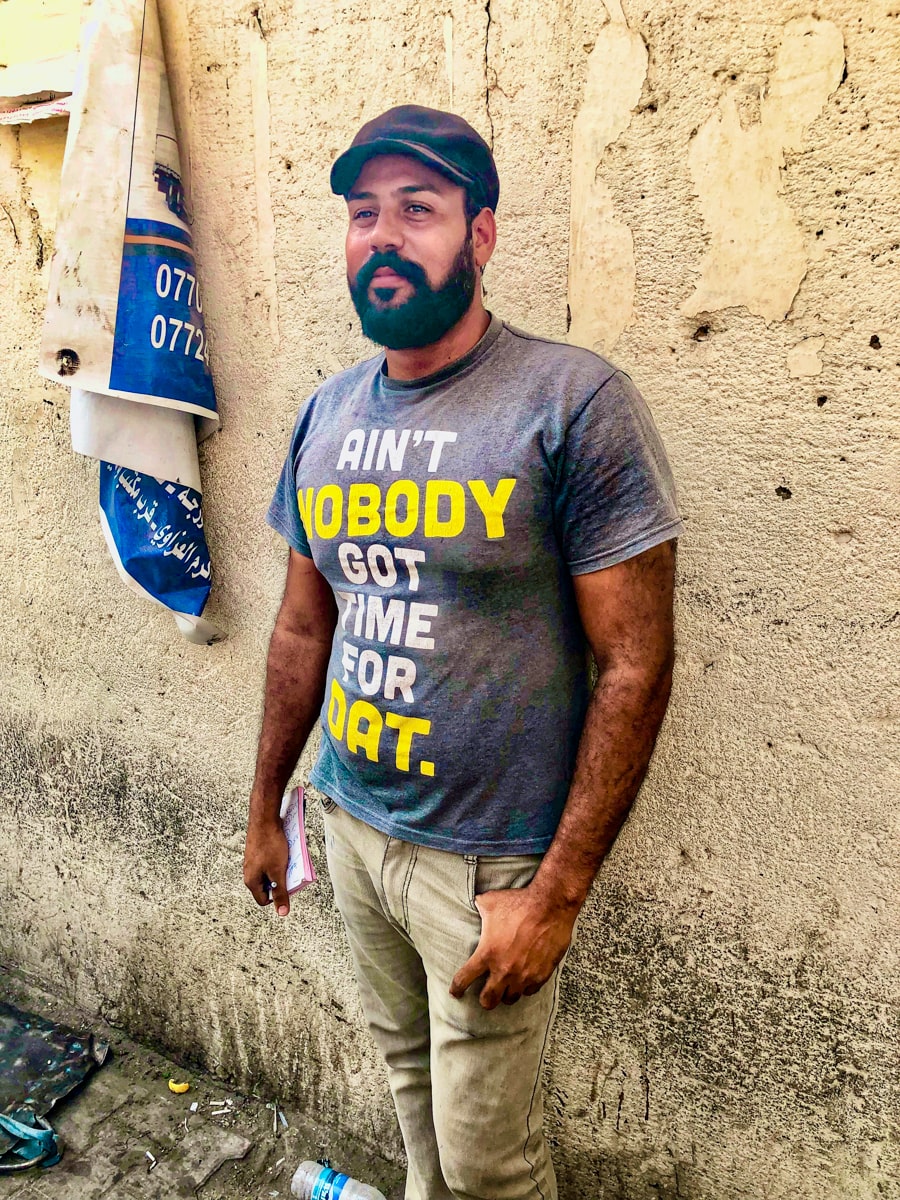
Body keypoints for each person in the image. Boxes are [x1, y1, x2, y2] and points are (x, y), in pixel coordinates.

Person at [243, 104, 683, 1200]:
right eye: (364, 214)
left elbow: (635, 663)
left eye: (419, 210)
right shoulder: (326, 415)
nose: (384, 237)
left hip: (488, 868)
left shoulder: (572, 402)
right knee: (410, 1097)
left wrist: (557, 896)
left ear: (480, 235)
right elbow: (302, 628)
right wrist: (266, 808)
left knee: (491, 1165)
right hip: (352, 827)